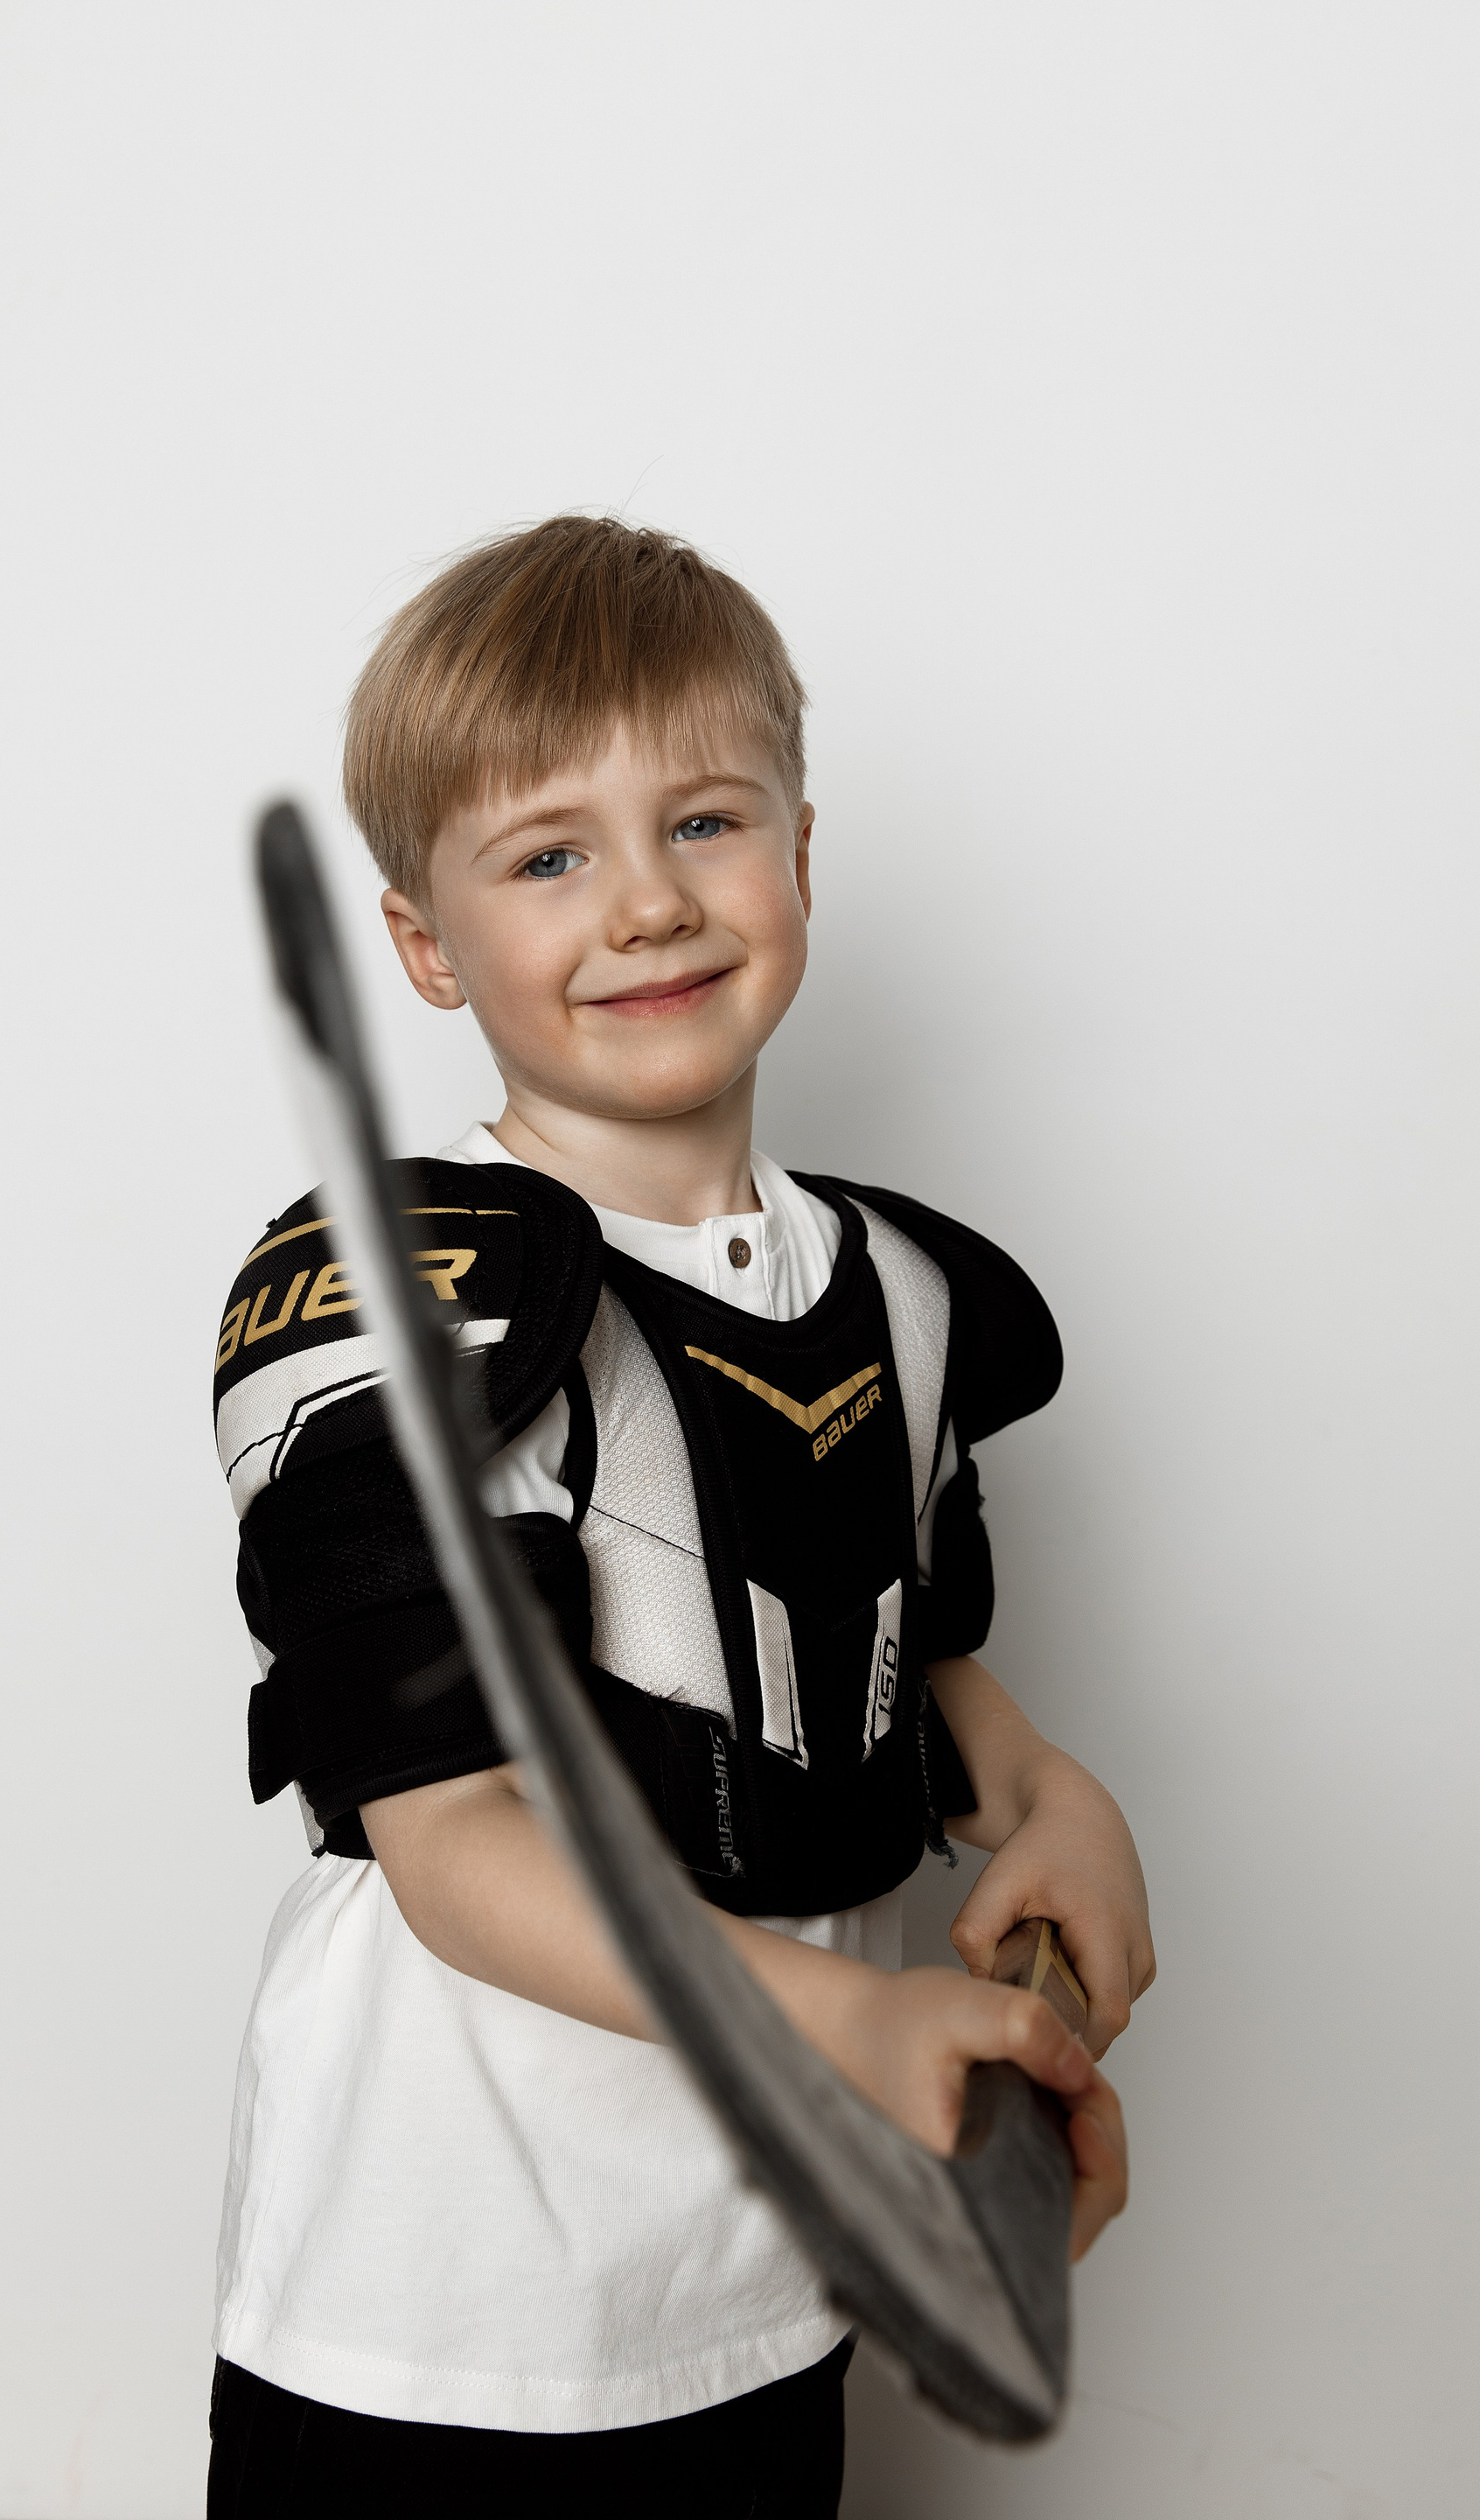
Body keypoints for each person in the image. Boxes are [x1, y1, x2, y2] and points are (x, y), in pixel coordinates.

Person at [206, 516, 1153, 2516]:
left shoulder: (895, 1290)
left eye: (706, 822)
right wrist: (852, 2019)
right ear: (427, 945)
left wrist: (1047, 1793)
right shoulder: (408, 1292)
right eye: (549, 856)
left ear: (803, 854)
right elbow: (452, 1845)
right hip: (446, 2305)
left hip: (760, 2277)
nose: (647, 902)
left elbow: (887, 1662)